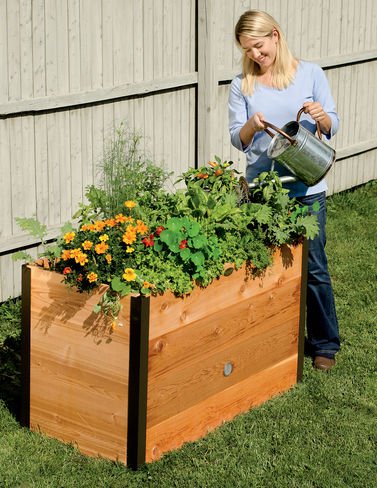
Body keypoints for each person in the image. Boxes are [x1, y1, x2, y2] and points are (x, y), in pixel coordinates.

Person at [228, 10, 340, 371]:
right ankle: (272, 339)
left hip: (307, 189)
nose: (255, 57)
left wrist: (321, 116)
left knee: (314, 267)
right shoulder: (241, 85)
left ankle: (324, 343)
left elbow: (332, 125)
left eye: (259, 47)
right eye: (249, 51)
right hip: (263, 191)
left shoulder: (310, 73)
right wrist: (251, 125)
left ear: (275, 35)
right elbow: (238, 140)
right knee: (263, 268)